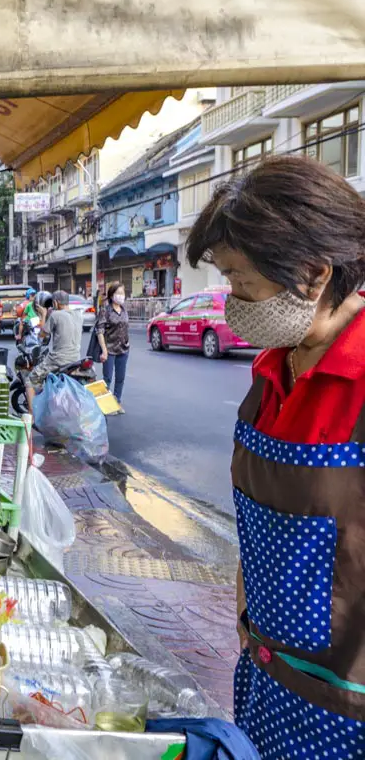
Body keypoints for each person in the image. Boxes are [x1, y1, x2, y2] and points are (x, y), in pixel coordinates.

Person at [186, 156, 365, 759]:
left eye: (242, 281)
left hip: (346, 715)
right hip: (264, 681)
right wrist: (244, 613)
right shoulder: (270, 371)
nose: (231, 299)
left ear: (314, 274)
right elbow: (259, 522)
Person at [25, 290, 81, 410]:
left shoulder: (56, 315)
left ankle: (32, 416)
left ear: (55, 303)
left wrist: (44, 314)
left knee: (30, 380)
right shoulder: (78, 315)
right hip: (75, 359)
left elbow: (42, 335)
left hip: (58, 359)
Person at [95, 281, 130, 410]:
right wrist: (104, 350)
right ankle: (105, 405)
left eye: (123, 293)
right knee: (107, 379)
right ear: (111, 295)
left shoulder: (124, 309)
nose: (121, 296)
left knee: (120, 378)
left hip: (123, 349)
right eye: (118, 293)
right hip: (109, 349)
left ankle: (116, 403)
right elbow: (100, 330)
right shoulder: (105, 309)